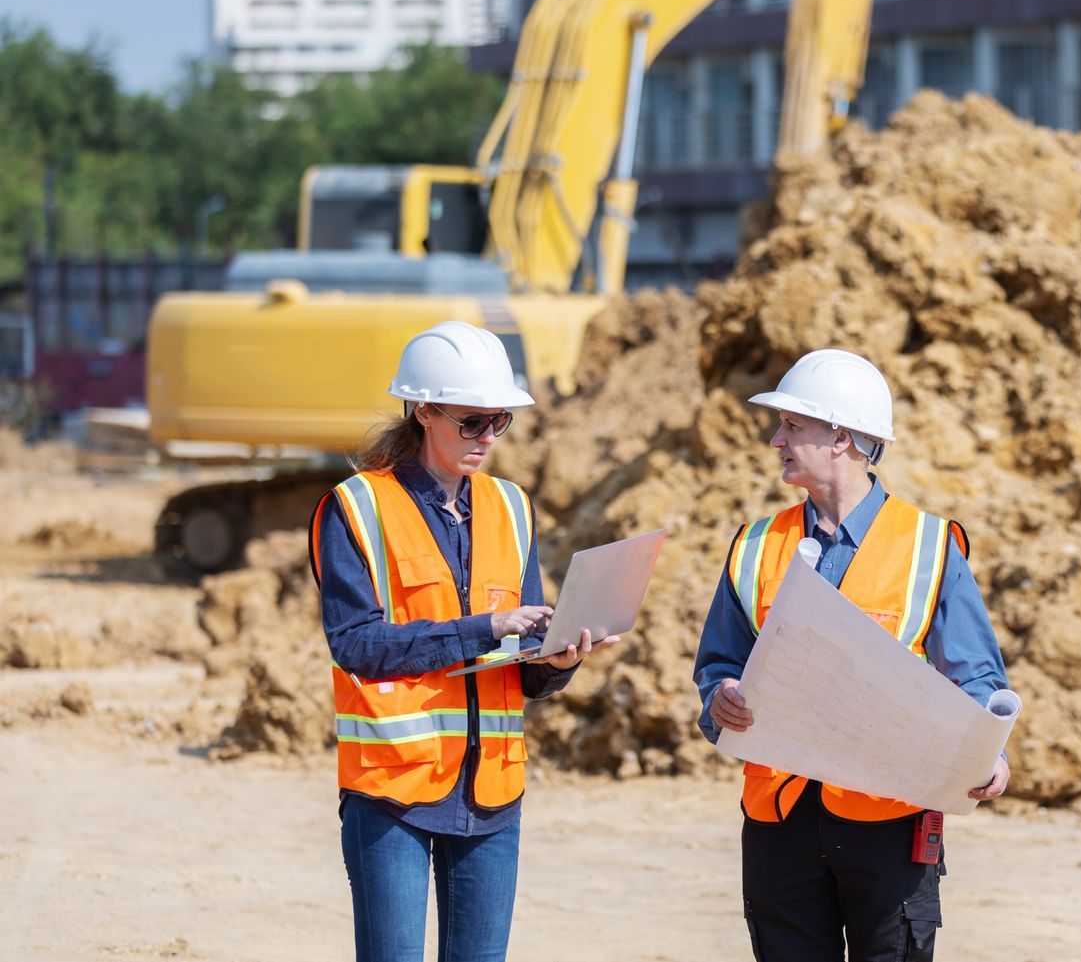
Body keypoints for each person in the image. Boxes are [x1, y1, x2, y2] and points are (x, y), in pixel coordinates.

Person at [308, 320, 618, 962]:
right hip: (392, 788)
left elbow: (518, 666)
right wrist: (484, 629)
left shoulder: (511, 506)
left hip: (492, 789)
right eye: (470, 422)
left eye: (498, 423)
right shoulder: (356, 508)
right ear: (423, 411)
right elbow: (357, 646)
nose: (487, 438)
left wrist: (557, 659)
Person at [693, 349, 1011, 962]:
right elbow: (719, 663)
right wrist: (721, 700)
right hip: (780, 816)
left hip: (889, 817)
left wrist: (988, 754)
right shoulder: (756, 545)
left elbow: (974, 676)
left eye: (793, 425)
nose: (775, 439)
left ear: (841, 437)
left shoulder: (929, 546)